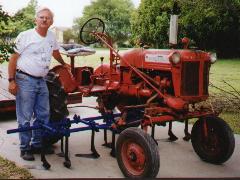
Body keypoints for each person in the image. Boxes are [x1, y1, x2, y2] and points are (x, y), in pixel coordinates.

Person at [8, 7, 70, 161]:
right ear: (35, 20)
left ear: (52, 21)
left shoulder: (51, 36)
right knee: (25, 116)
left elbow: (55, 52)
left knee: (43, 114)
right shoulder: (25, 36)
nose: (44, 20)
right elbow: (13, 59)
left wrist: (63, 63)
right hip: (25, 79)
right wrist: (11, 81)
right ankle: (25, 148)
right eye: (41, 17)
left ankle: (36, 143)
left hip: (41, 80)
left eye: (47, 18)